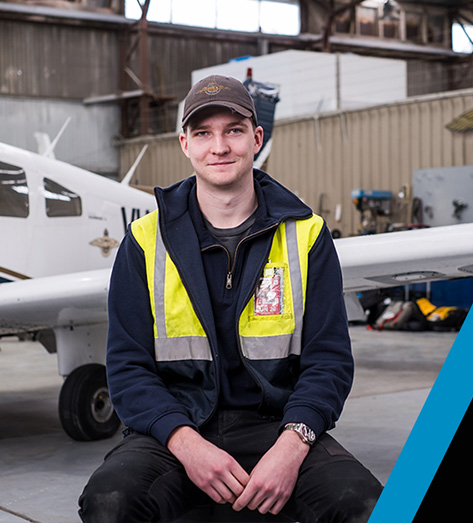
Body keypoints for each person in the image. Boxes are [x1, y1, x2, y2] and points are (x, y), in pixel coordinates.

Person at [79, 75, 382, 522]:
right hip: (176, 428)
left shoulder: (307, 235)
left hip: (275, 425)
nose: (218, 146)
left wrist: (292, 445)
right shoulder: (144, 241)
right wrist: (185, 442)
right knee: (110, 502)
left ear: (256, 138)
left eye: (233, 130)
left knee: (365, 505)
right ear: (184, 143)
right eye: (203, 133)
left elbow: (329, 361)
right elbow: (127, 367)